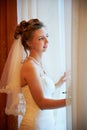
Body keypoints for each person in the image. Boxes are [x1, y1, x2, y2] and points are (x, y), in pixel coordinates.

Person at [0, 18, 66, 130]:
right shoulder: (29, 66)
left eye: (47, 36)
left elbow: (43, 92)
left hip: (47, 123)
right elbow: (41, 103)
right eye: (41, 38)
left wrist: (59, 83)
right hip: (35, 125)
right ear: (29, 43)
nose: (47, 41)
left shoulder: (37, 64)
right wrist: (72, 101)